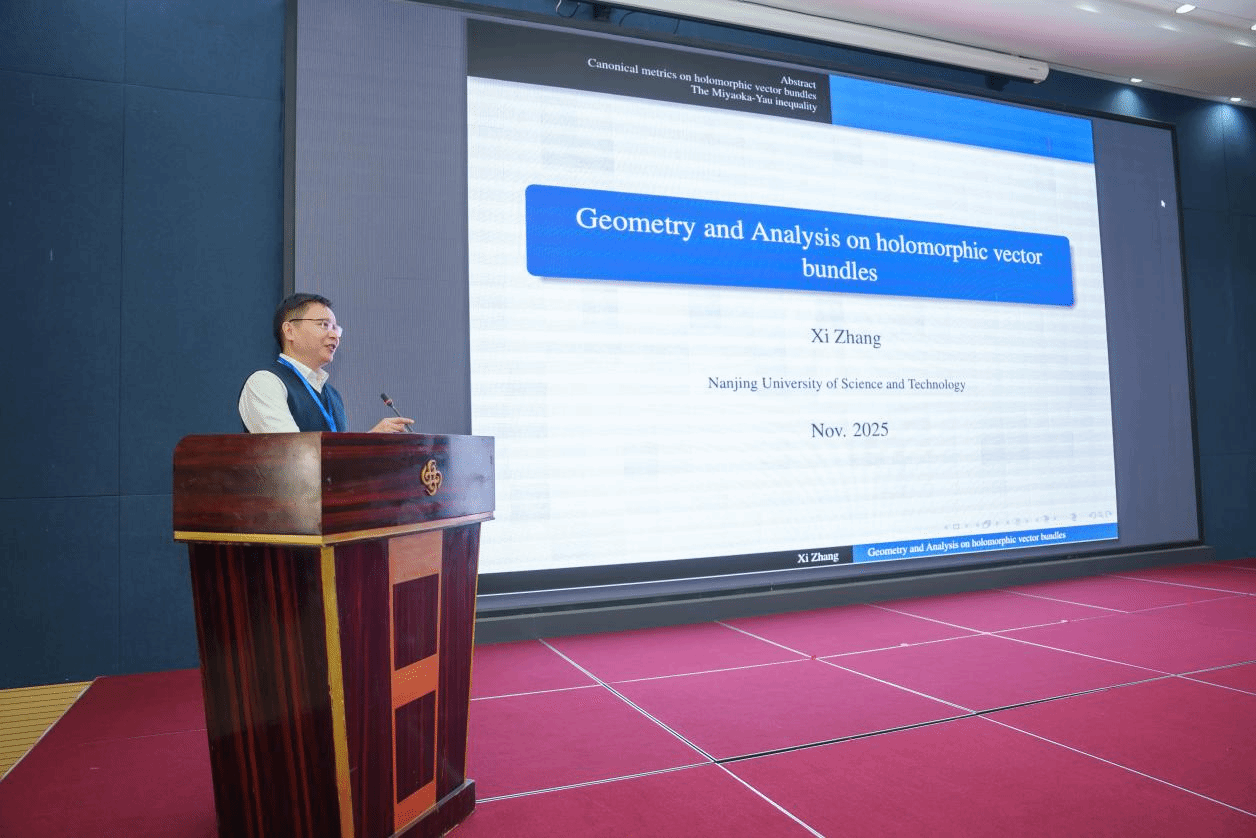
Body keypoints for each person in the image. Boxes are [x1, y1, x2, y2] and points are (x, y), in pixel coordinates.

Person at [238, 292, 414, 433]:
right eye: (324, 325)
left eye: (336, 328)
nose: (334, 335)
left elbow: (339, 459)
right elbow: (291, 453)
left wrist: (372, 446)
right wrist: (369, 443)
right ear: (290, 331)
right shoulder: (265, 383)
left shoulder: (332, 395)